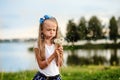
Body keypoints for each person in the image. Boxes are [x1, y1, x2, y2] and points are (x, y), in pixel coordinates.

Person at [33, 15, 63, 80]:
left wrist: (59, 55)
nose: (52, 32)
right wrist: (53, 55)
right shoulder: (38, 45)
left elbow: (59, 64)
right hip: (43, 77)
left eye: (54, 30)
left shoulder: (57, 44)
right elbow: (41, 66)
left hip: (56, 77)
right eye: (49, 29)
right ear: (41, 30)